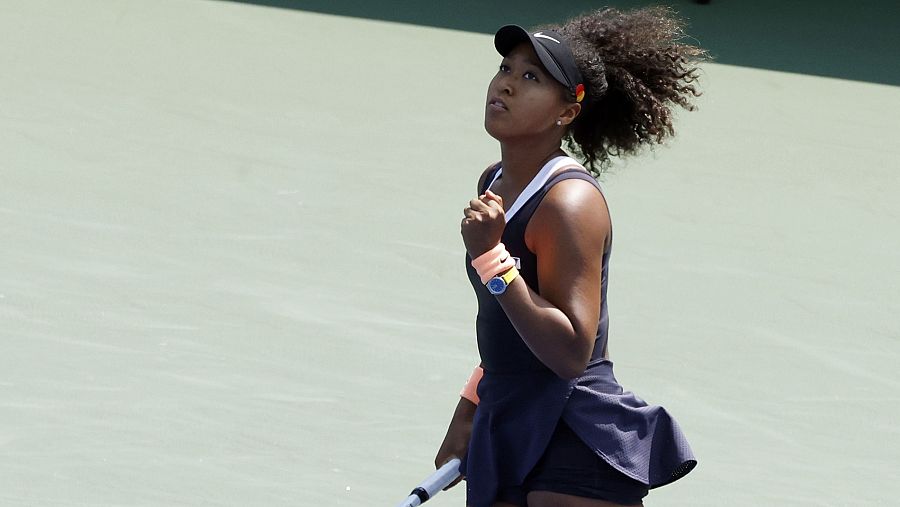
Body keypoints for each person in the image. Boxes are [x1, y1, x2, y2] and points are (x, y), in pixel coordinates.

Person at [433, 7, 709, 507]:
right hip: (509, 414)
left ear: (567, 113)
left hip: (574, 434)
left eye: (531, 77)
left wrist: (493, 257)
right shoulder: (493, 181)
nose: (507, 85)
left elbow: (569, 353)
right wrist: (468, 411)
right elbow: (504, 324)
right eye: (506, 69)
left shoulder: (569, 204)